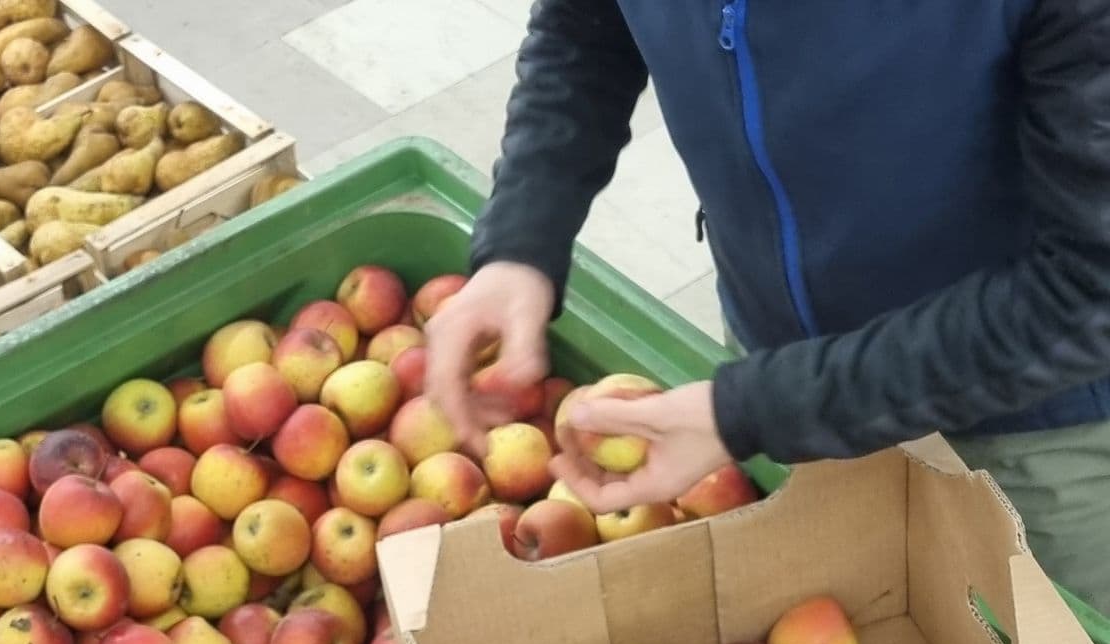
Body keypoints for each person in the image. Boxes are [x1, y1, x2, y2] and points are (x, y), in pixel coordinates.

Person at [426, 0, 1110, 613]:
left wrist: (756, 409)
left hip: (1030, 428)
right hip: (772, 364)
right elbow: (588, 23)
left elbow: (1090, 285)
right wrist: (522, 236)